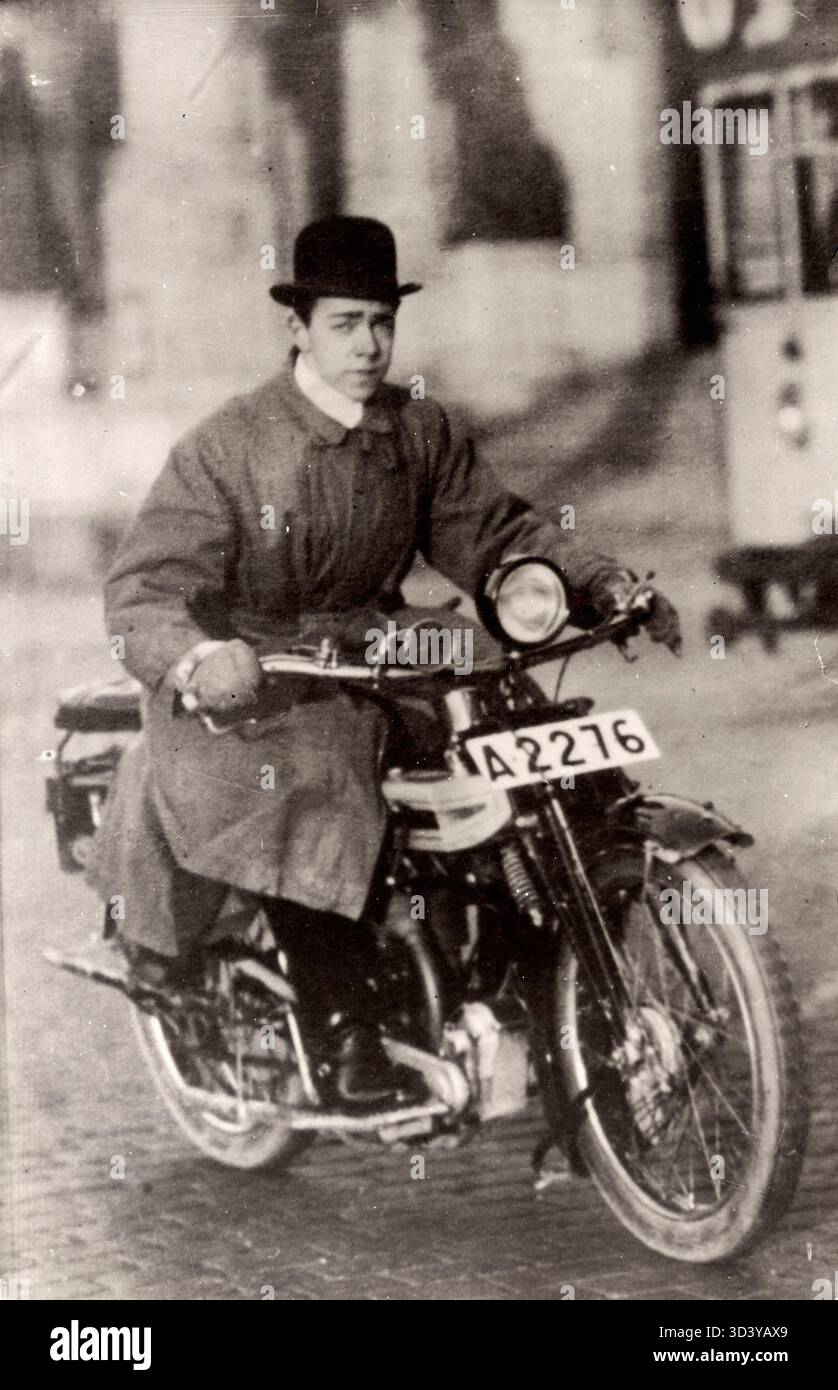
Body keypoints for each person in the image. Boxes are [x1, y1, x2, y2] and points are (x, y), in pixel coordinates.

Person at [85, 215, 681, 1108]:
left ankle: (549, 975)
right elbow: (141, 593)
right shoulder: (228, 448)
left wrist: (597, 585)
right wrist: (203, 656)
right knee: (318, 773)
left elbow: (496, 535)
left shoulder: (416, 432)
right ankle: (344, 1029)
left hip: (382, 647)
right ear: (299, 327)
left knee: (532, 725)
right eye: (345, 324)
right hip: (261, 683)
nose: (368, 346)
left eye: (382, 323)